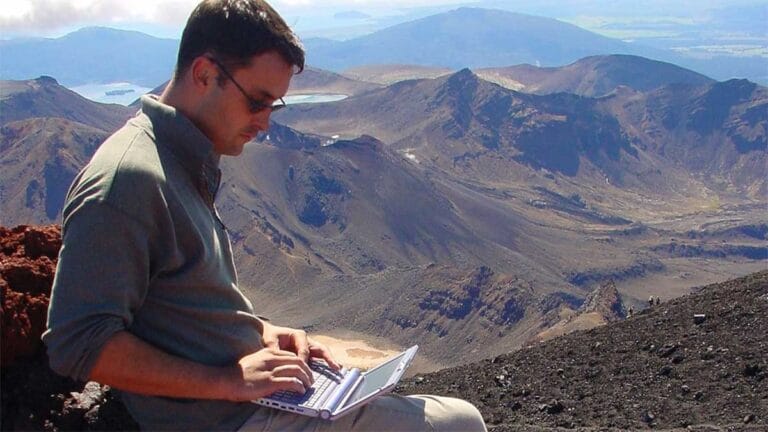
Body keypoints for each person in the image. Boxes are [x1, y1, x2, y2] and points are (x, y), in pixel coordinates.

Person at [42, 1, 486, 431]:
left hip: (245, 401)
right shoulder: (128, 181)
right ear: (204, 74)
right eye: (257, 101)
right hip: (227, 418)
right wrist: (227, 382)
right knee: (461, 423)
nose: (265, 122)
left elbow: (180, 307)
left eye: (275, 105)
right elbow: (78, 342)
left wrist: (261, 333)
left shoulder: (180, 159)